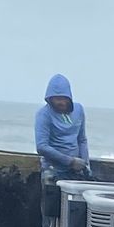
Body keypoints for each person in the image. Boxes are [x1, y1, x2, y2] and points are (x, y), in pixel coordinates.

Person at [34, 72, 90, 200]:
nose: (61, 102)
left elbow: (82, 139)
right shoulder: (43, 114)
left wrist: (85, 164)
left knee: (75, 208)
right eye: (56, 99)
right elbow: (41, 146)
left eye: (63, 98)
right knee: (52, 208)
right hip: (53, 171)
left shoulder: (79, 110)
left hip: (75, 172)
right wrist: (70, 161)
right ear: (50, 98)